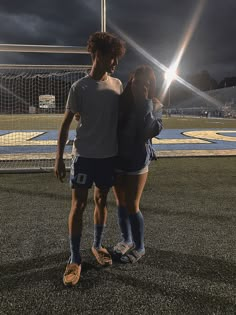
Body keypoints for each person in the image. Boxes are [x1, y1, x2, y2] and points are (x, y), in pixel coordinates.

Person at [54, 31, 126, 286]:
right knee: (79, 205)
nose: (115, 63)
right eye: (111, 57)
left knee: (101, 200)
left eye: (116, 59)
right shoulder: (79, 87)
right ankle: (74, 258)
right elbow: (65, 125)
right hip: (84, 157)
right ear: (97, 55)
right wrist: (59, 158)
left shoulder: (117, 85)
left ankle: (97, 245)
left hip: (108, 157)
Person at [112, 65, 163, 263]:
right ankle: (127, 240)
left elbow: (147, 132)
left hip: (137, 161)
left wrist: (144, 104)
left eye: (145, 83)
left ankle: (140, 246)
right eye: (136, 82)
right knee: (121, 204)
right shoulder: (120, 103)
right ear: (130, 82)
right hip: (117, 158)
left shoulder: (155, 105)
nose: (140, 86)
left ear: (150, 86)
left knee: (133, 205)